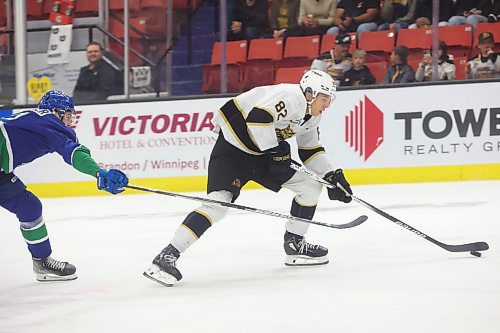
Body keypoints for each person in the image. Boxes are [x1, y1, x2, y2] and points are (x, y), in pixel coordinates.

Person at [143, 70, 353, 286]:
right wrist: (275, 150)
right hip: (234, 150)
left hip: (262, 155)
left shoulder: (314, 114)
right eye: (325, 98)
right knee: (218, 204)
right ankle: (166, 257)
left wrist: (330, 175)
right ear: (310, 94)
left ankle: (294, 244)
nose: (328, 104)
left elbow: (310, 149)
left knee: (310, 186)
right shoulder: (291, 96)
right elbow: (258, 119)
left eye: (330, 99)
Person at [0, 90, 129, 282]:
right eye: (68, 115)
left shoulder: (39, 122)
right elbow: (74, 152)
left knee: (29, 207)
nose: (70, 121)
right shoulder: (51, 122)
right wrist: (98, 172)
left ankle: (42, 261)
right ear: (55, 111)